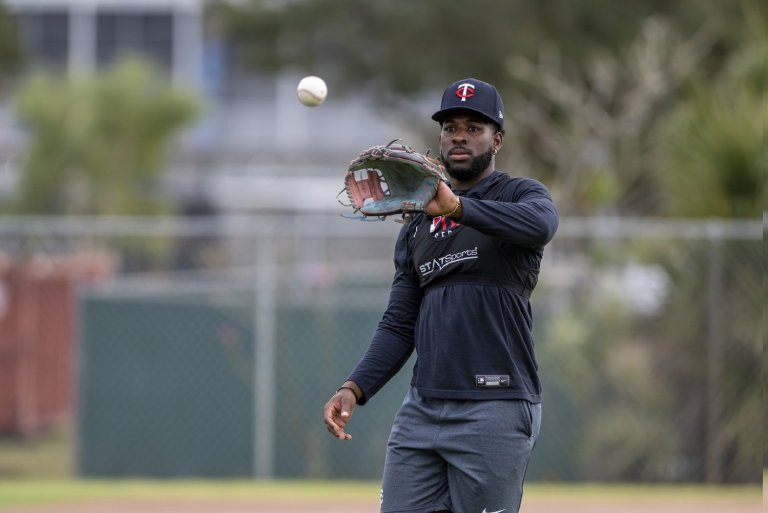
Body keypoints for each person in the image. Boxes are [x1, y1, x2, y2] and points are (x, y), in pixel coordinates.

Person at [323, 78, 559, 513]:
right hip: (424, 410)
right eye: (451, 127)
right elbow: (398, 324)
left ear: (497, 140)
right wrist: (354, 387)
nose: (460, 136)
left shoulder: (519, 195)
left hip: (496, 405)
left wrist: (457, 207)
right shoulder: (416, 227)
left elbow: (541, 226)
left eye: (474, 127)